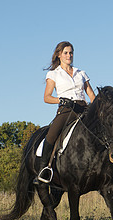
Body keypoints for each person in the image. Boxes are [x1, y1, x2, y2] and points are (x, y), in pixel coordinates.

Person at [35, 41, 95, 184]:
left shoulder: (81, 73)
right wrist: (61, 100)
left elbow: (91, 95)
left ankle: (110, 171)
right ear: (59, 55)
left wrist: (97, 108)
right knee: (51, 134)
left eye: (71, 52)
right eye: (66, 53)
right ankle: (43, 170)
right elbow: (47, 97)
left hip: (83, 109)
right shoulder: (53, 74)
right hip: (66, 109)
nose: (69, 55)